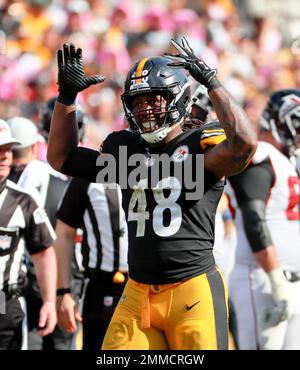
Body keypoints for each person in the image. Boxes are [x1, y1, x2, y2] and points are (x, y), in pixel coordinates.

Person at [47, 37, 257, 350]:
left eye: (153, 99)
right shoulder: (125, 153)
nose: (144, 108)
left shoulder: (199, 147)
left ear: (177, 97)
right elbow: (61, 157)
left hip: (192, 289)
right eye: (137, 100)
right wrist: (66, 98)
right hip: (137, 291)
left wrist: (212, 82)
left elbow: (244, 144)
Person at [227, 89, 300, 350]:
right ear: (281, 121)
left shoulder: (287, 161)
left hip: (291, 281)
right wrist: (275, 278)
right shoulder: (260, 155)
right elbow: (254, 218)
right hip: (262, 279)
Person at [7, 116, 81, 350]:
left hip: (22, 283)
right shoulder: (60, 180)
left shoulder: (7, 184)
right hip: (61, 279)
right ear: (34, 146)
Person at [0, 119, 57, 350]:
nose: (4, 156)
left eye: (7, 150)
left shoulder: (23, 200)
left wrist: (50, 302)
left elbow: (44, 253)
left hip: (5, 304)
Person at [54, 177, 128, 350]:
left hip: (153, 287)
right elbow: (64, 232)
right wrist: (63, 292)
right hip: (105, 288)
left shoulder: (156, 163)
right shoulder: (87, 173)